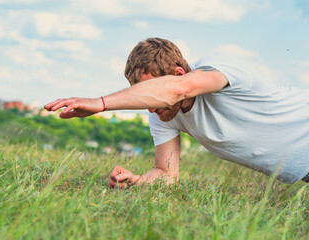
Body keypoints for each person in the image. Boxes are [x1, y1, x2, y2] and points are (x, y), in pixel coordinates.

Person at [44, 38, 309, 187]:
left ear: (178, 73)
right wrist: (134, 180)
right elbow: (167, 174)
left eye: (151, 90)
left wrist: (100, 103)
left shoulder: (221, 67)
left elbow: (178, 89)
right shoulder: (161, 116)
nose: (149, 106)